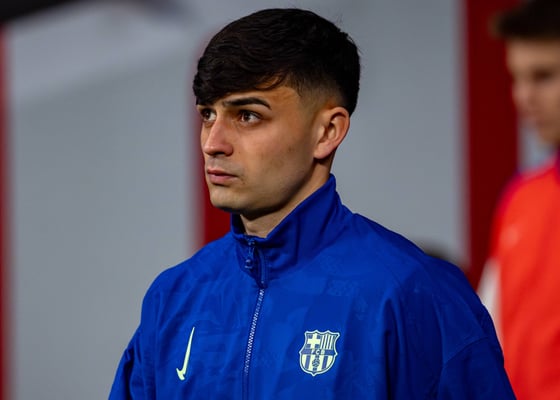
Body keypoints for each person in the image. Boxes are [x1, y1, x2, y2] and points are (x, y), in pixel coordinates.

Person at [110, 8, 514, 399]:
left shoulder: (414, 294)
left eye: (247, 116)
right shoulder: (173, 298)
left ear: (327, 132)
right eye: (208, 115)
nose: (213, 143)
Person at [479, 1, 560, 399]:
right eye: (517, 78)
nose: (524, 96)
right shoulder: (521, 198)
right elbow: (487, 336)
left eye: (543, 76)